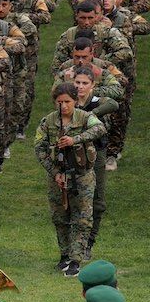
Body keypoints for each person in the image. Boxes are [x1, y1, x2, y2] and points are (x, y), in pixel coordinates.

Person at [33, 82, 106, 277]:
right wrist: (54, 172)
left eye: (67, 101)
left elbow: (100, 129)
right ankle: (64, 254)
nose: (64, 106)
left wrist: (76, 139)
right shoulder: (48, 122)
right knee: (59, 216)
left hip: (82, 175)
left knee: (82, 217)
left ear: (75, 101)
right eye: (59, 102)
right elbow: (39, 147)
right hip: (58, 176)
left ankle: (76, 259)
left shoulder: (85, 117)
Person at [73, 68, 119, 260]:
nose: (81, 87)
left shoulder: (97, 101)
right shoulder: (68, 101)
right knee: (73, 201)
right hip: (73, 155)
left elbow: (114, 103)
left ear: (92, 85)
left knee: (97, 202)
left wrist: (89, 114)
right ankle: (73, 245)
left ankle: (89, 243)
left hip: (97, 155)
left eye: (85, 83)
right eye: (78, 83)